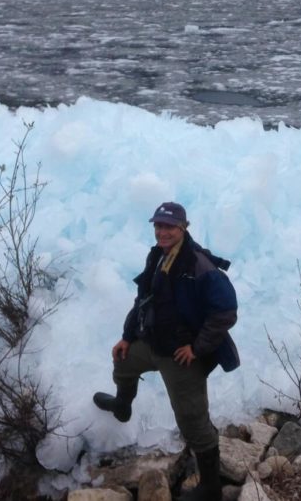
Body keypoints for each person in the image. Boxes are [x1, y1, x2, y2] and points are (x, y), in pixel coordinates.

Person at [93, 201, 239, 501]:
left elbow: (226, 312)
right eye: (158, 226)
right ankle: (122, 407)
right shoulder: (158, 255)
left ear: (183, 227)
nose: (162, 231)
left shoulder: (200, 265)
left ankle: (211, 487)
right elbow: (143, 298)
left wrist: (197, 349)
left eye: (169, 226)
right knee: (123, 363)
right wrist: (127, 336)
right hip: (153, 341)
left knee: (191, 419)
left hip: (180, 355)